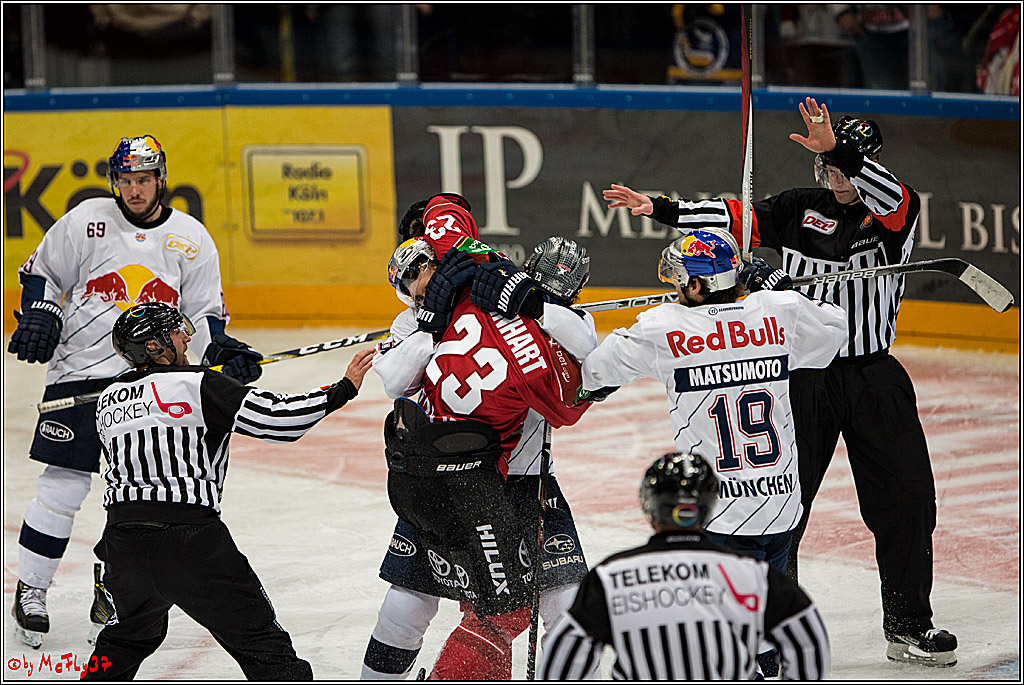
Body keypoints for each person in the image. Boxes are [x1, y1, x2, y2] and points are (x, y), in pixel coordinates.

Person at [602, 96, 958, 667]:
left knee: (907, 500)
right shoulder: (798, 207)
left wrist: (840, 149)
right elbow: (731, 217)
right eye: (830, 169)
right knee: (782, 506)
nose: (837, 179)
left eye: (846, 168)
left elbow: (885, 191)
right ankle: (765, 625)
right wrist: (660, 208)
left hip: (872, 374)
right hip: (802, 377)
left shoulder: (895, 209)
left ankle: (910, 623)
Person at [9, 135, 264, 649]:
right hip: (80, 373)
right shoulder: (87, 220)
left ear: (160, 178)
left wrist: (222, 352)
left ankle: (112, 587)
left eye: (143, 179)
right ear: (114, 182)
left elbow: (205, 315)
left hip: (150, 383)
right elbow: (40, 274)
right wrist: (41, 310)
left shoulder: (190, 237)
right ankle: (31, 589)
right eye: (125, 180)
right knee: (62, 485)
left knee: (136, 493)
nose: (133, 189)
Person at [578, 228, 846, 675]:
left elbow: (594, 371)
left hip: (719, 513)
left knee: (716, 639)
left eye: (682, 278)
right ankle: (767, 658)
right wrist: (780, 290)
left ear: (698, 285)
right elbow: (834, 332)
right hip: (781, 505)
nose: (676, 286)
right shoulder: (777, 311)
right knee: (763, 612)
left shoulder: (666, 326)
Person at [82, 301, 374, 680]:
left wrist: (221, 385)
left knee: (124, 642)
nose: (186, 335)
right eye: (176, 331)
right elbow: (279, 420)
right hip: (191, 543)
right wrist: (343, 388)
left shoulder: (107, 401)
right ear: (154, 346)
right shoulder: (199, 384)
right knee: (263, 645)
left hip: (122, 546)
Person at [374, 196, 595, 680]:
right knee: (415, 595)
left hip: (522, 479)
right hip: (455, 471)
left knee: (564, 600)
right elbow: (393, 381)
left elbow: (588, 354)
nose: (427, 268)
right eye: (415, 264)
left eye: (431, 256)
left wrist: (535, 306)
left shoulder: (505, 298)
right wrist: (431, 324)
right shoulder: (416, 317)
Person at [538, 451, 831, 680]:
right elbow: (808, 640)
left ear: (648, 506)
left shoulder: (612, 577)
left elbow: (564, 656)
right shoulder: (752, 575)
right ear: (708, 507)